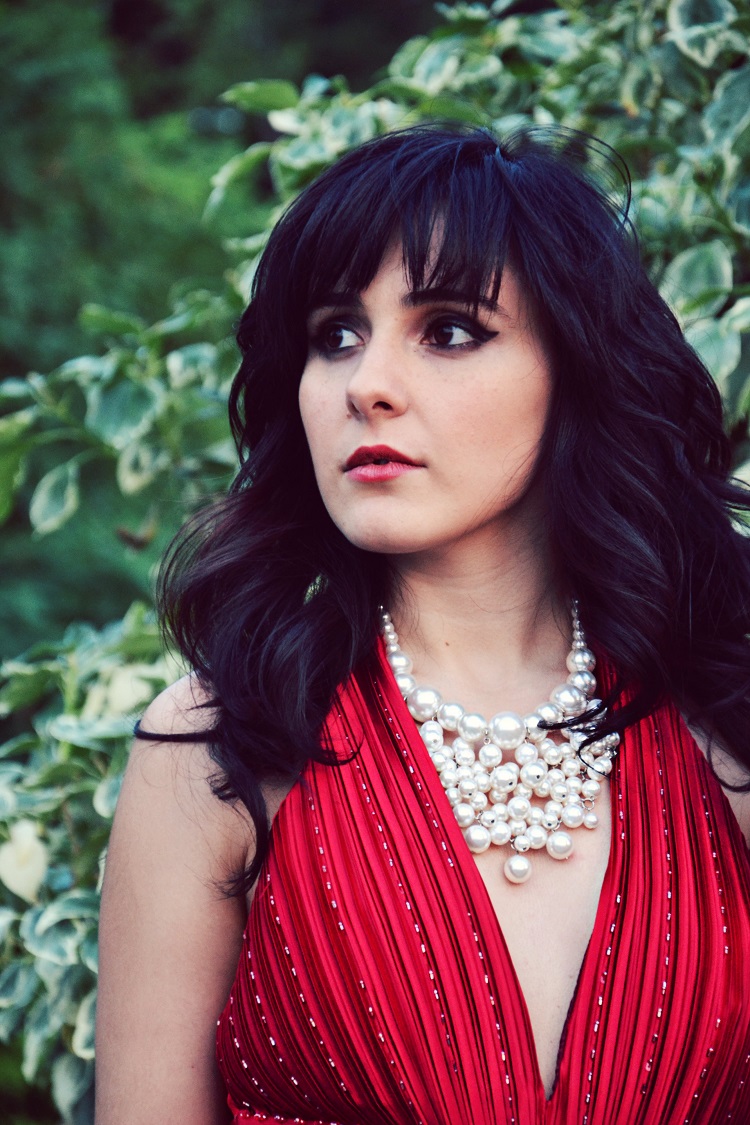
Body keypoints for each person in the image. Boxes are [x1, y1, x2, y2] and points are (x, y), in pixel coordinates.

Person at [94, 125, 750, 1125]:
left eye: (448, 331)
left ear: (576, 367)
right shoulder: (219, 748)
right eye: (335, 336)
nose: (366, 384)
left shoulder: (723, 730)